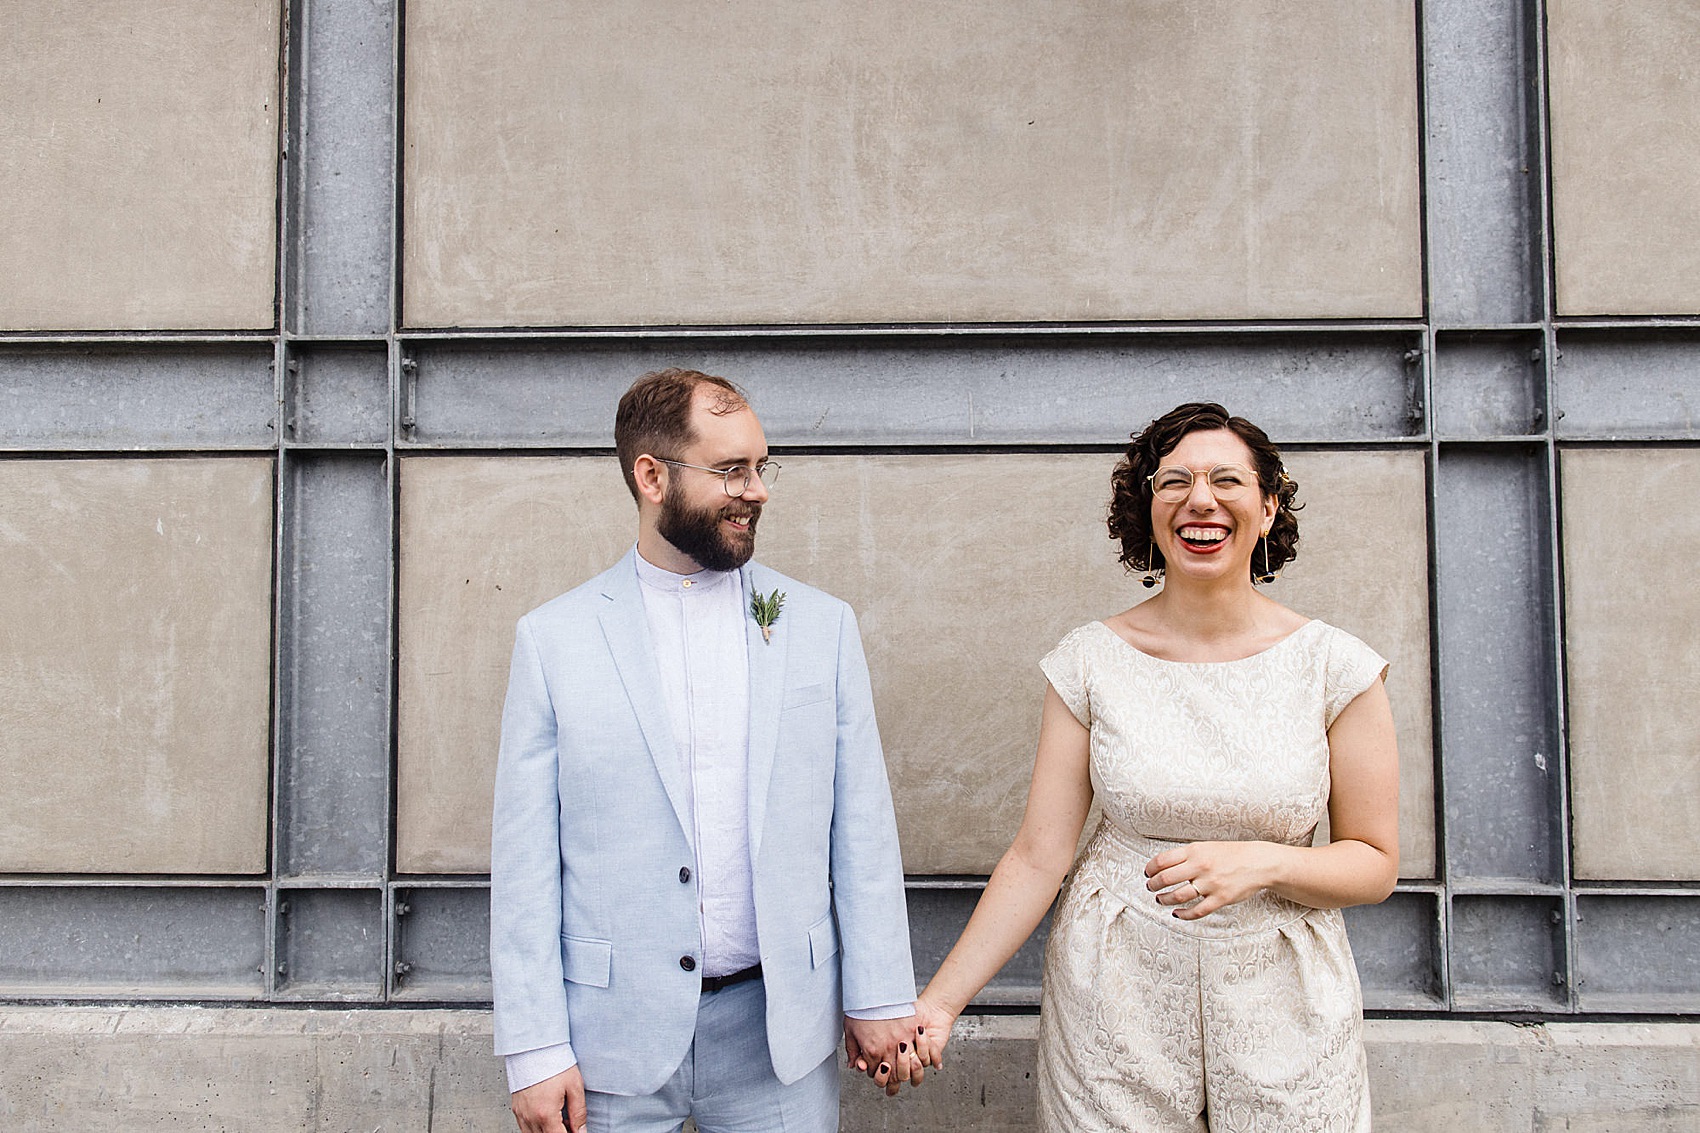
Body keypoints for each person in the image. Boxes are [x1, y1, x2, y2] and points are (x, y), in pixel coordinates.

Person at [908, 402, 1400, 1131]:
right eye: (1175, 482)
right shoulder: (1088, 660)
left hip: (1286, 1006)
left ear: (1266, 509)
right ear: (1149, 509)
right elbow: (1039, 855)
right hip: (1115, 999)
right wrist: (939, 1003)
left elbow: (1375, 863)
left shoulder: (1336, 666)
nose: (1200, 499)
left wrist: (1262, 864)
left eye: (1227, 480)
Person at [490, 367, 922, 1133]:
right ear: (651, 476)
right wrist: (533, 1047)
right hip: (607, 1043)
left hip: (778, 1034)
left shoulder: (820, 627)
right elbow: (526, 862)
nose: (757, 489)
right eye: (731, 470)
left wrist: (880, 994)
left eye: (761, 465)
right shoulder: (552, 640)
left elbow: (861, 825)